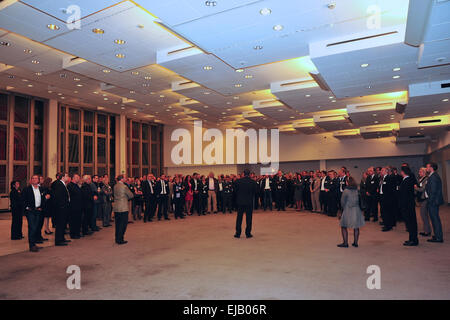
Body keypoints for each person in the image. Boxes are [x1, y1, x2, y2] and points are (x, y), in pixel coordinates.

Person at [22, 175, 49, 252]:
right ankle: (32, 245)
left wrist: (44, 203)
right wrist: (27, 208)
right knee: (32, 227)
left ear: (38, 180)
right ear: (31, 180)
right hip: (30, 211)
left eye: (36, 178)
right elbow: (23, 200)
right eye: (33, 178)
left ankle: (34, 244)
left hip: (38, 210)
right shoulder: (27, 189)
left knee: (36, 227)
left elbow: (43, 199)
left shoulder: (41, 189)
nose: (34, 180)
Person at [337, 176, 365, 248]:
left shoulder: (346, 190)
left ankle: (345, 243)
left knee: (343, 226)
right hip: (356, 210)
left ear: (347, 182)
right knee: (356, 227)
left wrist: (341, 210)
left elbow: (342, 202)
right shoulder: (357, 190)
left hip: (347, 209)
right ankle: (355, 243)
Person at [234, 169, 258, 239]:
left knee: (239, 218)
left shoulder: (238, 181)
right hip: (249, 202)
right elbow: (256, 192)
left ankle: (238, 233)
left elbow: (235, 191)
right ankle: (248, 233)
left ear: (243, 174)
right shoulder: (253, 182)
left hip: (240, 202)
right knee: (249, 218)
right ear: (250, 174)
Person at [399, 166, 418, 246]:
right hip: (408, 204)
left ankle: (413, 240)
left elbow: (405, 195)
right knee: (409, 223)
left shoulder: (407, 180)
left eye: (401, 171)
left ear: (403, 172)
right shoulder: (407, 180)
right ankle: (411, 238)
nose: (400, 172)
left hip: (408, 205)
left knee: (411, 223)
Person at [425, 162, 444, 243]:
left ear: (431, 168)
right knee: (434, 219)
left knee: (435, 219)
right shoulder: (433, 176)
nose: (426, 168)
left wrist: (429, 201)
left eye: (427, 167)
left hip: (433, 202)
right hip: (433, 201)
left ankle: (439, 237)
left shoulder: (433, 177)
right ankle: (437, 235)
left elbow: (433, 191)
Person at [51, 172, 71, 246]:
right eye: (67, 176)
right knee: (60, 224)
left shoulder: (63, 184)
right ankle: (58, 240)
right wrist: (62, 205)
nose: (68, 177)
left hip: (64, 207)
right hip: (61, 208)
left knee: (63, 224)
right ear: (63, 177)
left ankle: (62, 238)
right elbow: (58, 197)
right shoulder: (58, 184)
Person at [113, 175, 134, 244]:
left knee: (117, 224)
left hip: (116, 207)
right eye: (125, 178)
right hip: (123, 207)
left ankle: (117, 238)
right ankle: (120, 239)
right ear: (121, 179)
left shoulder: (115, 186)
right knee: (123, 224)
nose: (126, 179)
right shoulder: (124, 186)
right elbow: (131, 195)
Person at [414, 167, 431, 237]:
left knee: (424, 215)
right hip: (421, 199)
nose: (419, 173)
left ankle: (427, 231)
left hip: (425, 199)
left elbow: (422, 189)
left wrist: (415, 188)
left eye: (420, 172)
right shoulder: (421, 179)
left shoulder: (426, 179)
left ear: (424, 172)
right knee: (423, 215)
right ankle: (426, 230)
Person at [379, 167, 396, 232]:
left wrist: (387, 197)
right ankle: (386, 224)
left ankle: (388, 226)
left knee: (387, 212)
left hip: (387, 198)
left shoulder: (389, 178)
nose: (381, 171)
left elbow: (390, 189)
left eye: (382, 170)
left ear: (386, 171)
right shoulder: (382, 178)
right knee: (383, 211)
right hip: (382, 196)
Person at [67, 173, 83, 239]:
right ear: (73, 178)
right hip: (73, 206)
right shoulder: (70, 185)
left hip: (78, 206)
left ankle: (77, 232)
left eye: (78, 177)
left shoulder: (76, 185)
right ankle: (73, 234)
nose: (78, 179)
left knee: (78, 220)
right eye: (77, 177)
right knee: (73, 221)